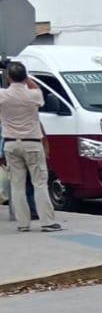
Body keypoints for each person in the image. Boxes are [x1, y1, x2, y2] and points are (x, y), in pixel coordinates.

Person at [0, 61, 60, 232]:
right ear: (24, 76)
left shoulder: (2, 95)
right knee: (39, 183)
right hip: (32, 143)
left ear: (9, 78)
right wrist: (25, 77)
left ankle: (22, 223)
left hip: (11, 143)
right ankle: (47, 222)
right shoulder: (33, 96)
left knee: (17, 184)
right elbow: (35, 87)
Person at [0, 120, 40, 222]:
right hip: (31, 146)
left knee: (19, 184)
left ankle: (23, 214)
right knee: (32, 183)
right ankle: (33, 210)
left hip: (11, 149)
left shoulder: (5, 117)